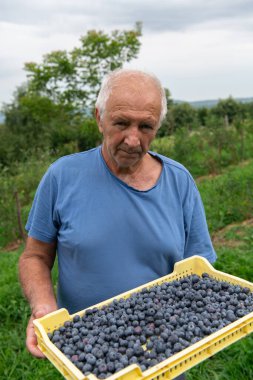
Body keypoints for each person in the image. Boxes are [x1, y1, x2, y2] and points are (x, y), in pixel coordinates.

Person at [19, 69, 216, 379]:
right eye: (121, 123)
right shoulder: (62, 177)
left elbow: (199, 273)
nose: (133, 139)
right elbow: (35, 256)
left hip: (164, 354)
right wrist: (44, 307)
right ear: (99, 118)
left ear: (158, 126)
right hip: (87, 355)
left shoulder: (180, 183)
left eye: (146, 126)